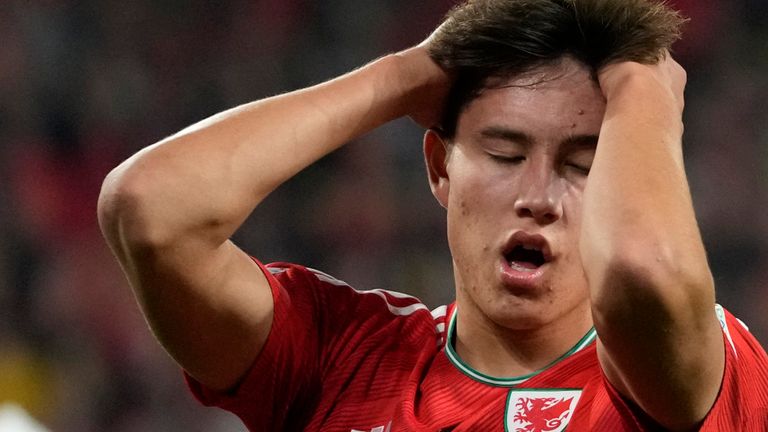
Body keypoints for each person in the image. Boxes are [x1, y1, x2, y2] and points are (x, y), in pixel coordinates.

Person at [97, 0, 768, 430]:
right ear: (441, 167)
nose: (536, 194)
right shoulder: (338, 355)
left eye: (582, 165)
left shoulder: (690, 374)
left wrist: (641, 82)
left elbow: (642, 272)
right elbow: (149, 212)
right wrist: (404, 76)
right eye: (504, 153)